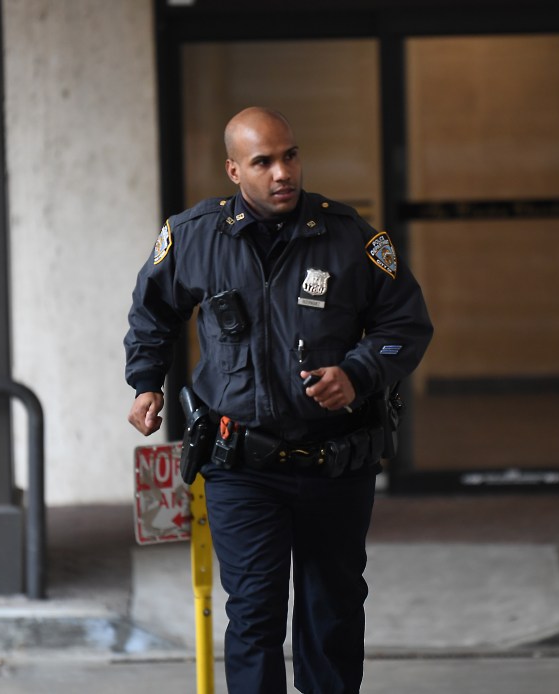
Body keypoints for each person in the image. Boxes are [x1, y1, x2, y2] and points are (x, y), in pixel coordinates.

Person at [124, 106, 433, 694]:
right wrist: (146, 382)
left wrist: (359, 372)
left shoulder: (350, 238)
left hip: (336, 462)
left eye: (289, 156)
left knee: (331, 615)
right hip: (241, 465)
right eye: (262, 161)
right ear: (234, 170)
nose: (281, 172)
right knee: (256, 615)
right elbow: (152, 314)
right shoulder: (193, 237)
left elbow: (407, 325)